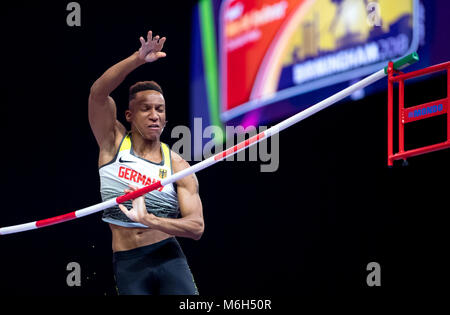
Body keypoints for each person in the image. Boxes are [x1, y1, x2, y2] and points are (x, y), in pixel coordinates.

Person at [88, 30, 204, 295]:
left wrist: (150, 220)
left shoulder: (178, 165)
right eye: (146, 109)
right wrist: (137, 59)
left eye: (160, 110)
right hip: (128, 264)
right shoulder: (112, 142)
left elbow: (196, 227)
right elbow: (97, 93)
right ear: (128, 114)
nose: (154, 116)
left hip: (168, 258)